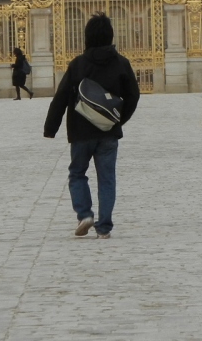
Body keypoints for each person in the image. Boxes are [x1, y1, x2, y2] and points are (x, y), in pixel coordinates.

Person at [43, 13, 140, 239]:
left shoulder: (78, 64)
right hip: (108, 131)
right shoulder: (121, 63)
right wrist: (118, 119)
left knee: (77, 173)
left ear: (86, 37)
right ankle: (104, 227)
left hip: (81, 131)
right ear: (111, 36)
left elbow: (60, 97)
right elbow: (133, 96)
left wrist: (51, 127)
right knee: (107, 178)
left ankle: (85, 214)